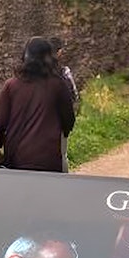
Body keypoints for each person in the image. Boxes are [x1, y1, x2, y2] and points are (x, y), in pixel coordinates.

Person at [0, 37, 76, 172]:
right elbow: (69, 121)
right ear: (51, 58)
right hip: (49, 160)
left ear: (24, 57)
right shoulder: (58, 85)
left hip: (16, 160)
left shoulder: (11, 86)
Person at [49, 36, 80, 172]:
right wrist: (69, 123)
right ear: (60, 52)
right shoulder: (64, 72)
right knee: (61, 155)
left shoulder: (34, 74)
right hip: (59, 123)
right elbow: (74, 95)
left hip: (36, 122)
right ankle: (63, 185)